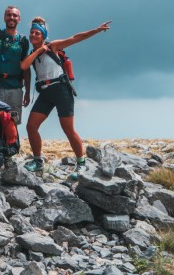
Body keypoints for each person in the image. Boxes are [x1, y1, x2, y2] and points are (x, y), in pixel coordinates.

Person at [21, 17, 111, 180]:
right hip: (45, 93)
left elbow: (76, 38)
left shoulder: (53, 46)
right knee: (31, 126)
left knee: (68, 129)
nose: (33, 35)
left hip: (61, 89)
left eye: (37, 33)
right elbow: (23, 67)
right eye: (32, 32)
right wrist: (37, 52)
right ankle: (37, 161)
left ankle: (81, 162)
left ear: (43, 36)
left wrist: (96, 30)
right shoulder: (32, 55)